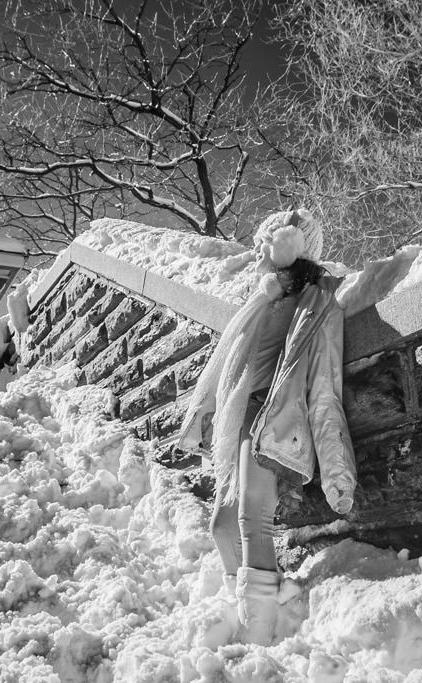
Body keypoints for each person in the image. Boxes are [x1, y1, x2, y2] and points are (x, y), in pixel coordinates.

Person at [178, 209, 357, 646]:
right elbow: (228, 364)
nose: (261, 251)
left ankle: (259, 640)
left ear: (294, 245)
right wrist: (205, 412)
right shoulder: (261, 297)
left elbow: (324, 386)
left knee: (250, 517)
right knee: (221, 527)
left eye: (270, 242)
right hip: (241, 416)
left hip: (274, 416)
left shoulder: (317, 298)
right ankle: (262, 597)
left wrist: (338, 471)